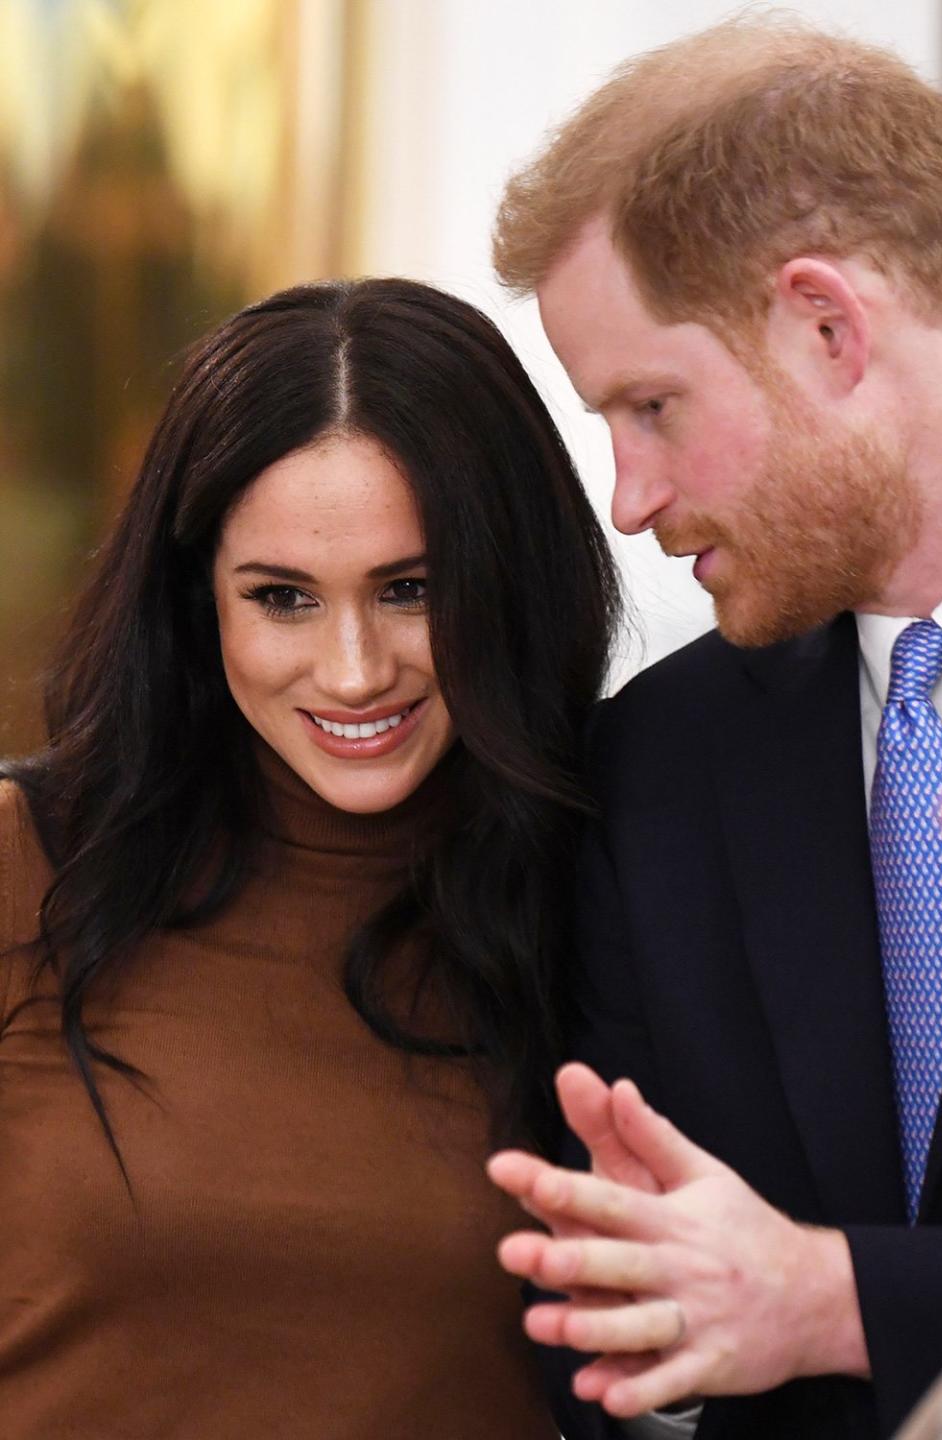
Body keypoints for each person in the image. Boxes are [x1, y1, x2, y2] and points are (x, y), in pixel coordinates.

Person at [0, 277, 621, 1438]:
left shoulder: (606, 886)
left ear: (510, 583)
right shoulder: (25, 865)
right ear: (200, 608)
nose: (351, 672)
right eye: (282, 597)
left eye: (410, 590)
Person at [482, 14, 942, 1440]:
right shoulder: (657, 773)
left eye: (651, 405)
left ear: (827, 327)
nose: (627, 498)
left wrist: (838, 1301)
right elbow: (624, 1327)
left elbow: (792, 1297)